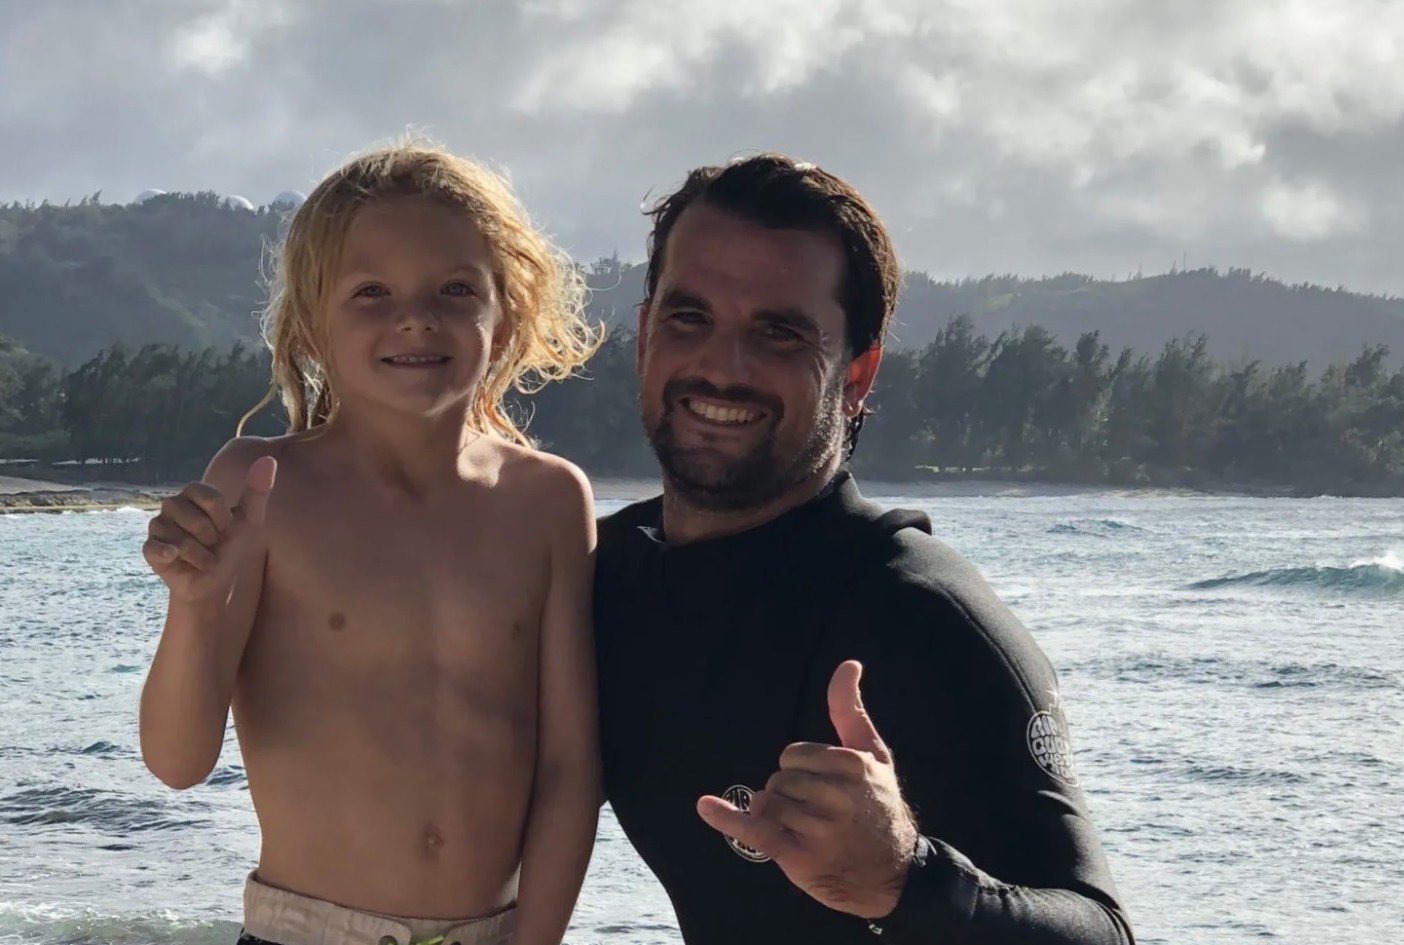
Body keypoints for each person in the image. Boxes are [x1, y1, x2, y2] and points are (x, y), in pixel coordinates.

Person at [592, 154, 1135, 944]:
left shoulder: (923, 617)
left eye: (778, 332)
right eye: (689, 317)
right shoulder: (603, 578)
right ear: (644, 336)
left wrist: (904, 877)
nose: (721, 364)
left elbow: (1104, 932)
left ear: (857, 373)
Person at [137, 139, 603, 945]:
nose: (415, 316)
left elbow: (571, 768)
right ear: (313, 323)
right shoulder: (263, 486)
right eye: (372, 291)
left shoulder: (550, 500)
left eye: (456, 288)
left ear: (510, 308)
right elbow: (178, 762)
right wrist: (196, 604)